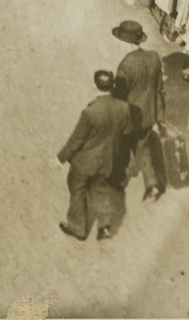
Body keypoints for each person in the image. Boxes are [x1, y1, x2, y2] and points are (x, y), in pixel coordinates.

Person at [57, 70, 133, 243]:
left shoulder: (90, 112)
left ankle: (77, 227)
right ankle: (105, 224)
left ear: (95, 85)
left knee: (77, 190)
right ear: (112, 86)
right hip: (108, 162)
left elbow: (76, 140)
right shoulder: (124, 108)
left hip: (84, 163)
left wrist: (60, 158)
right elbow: (126, 132)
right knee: (100, 190)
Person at [113, 18, 166, 202]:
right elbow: (159, 86)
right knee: (142, 148)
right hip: (148, 114)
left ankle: (117, 181)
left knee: (121, 148)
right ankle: (153, 186)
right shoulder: (153, 57)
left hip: (130, 117)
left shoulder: (125, 66)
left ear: (124, 42)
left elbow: (119, 97)